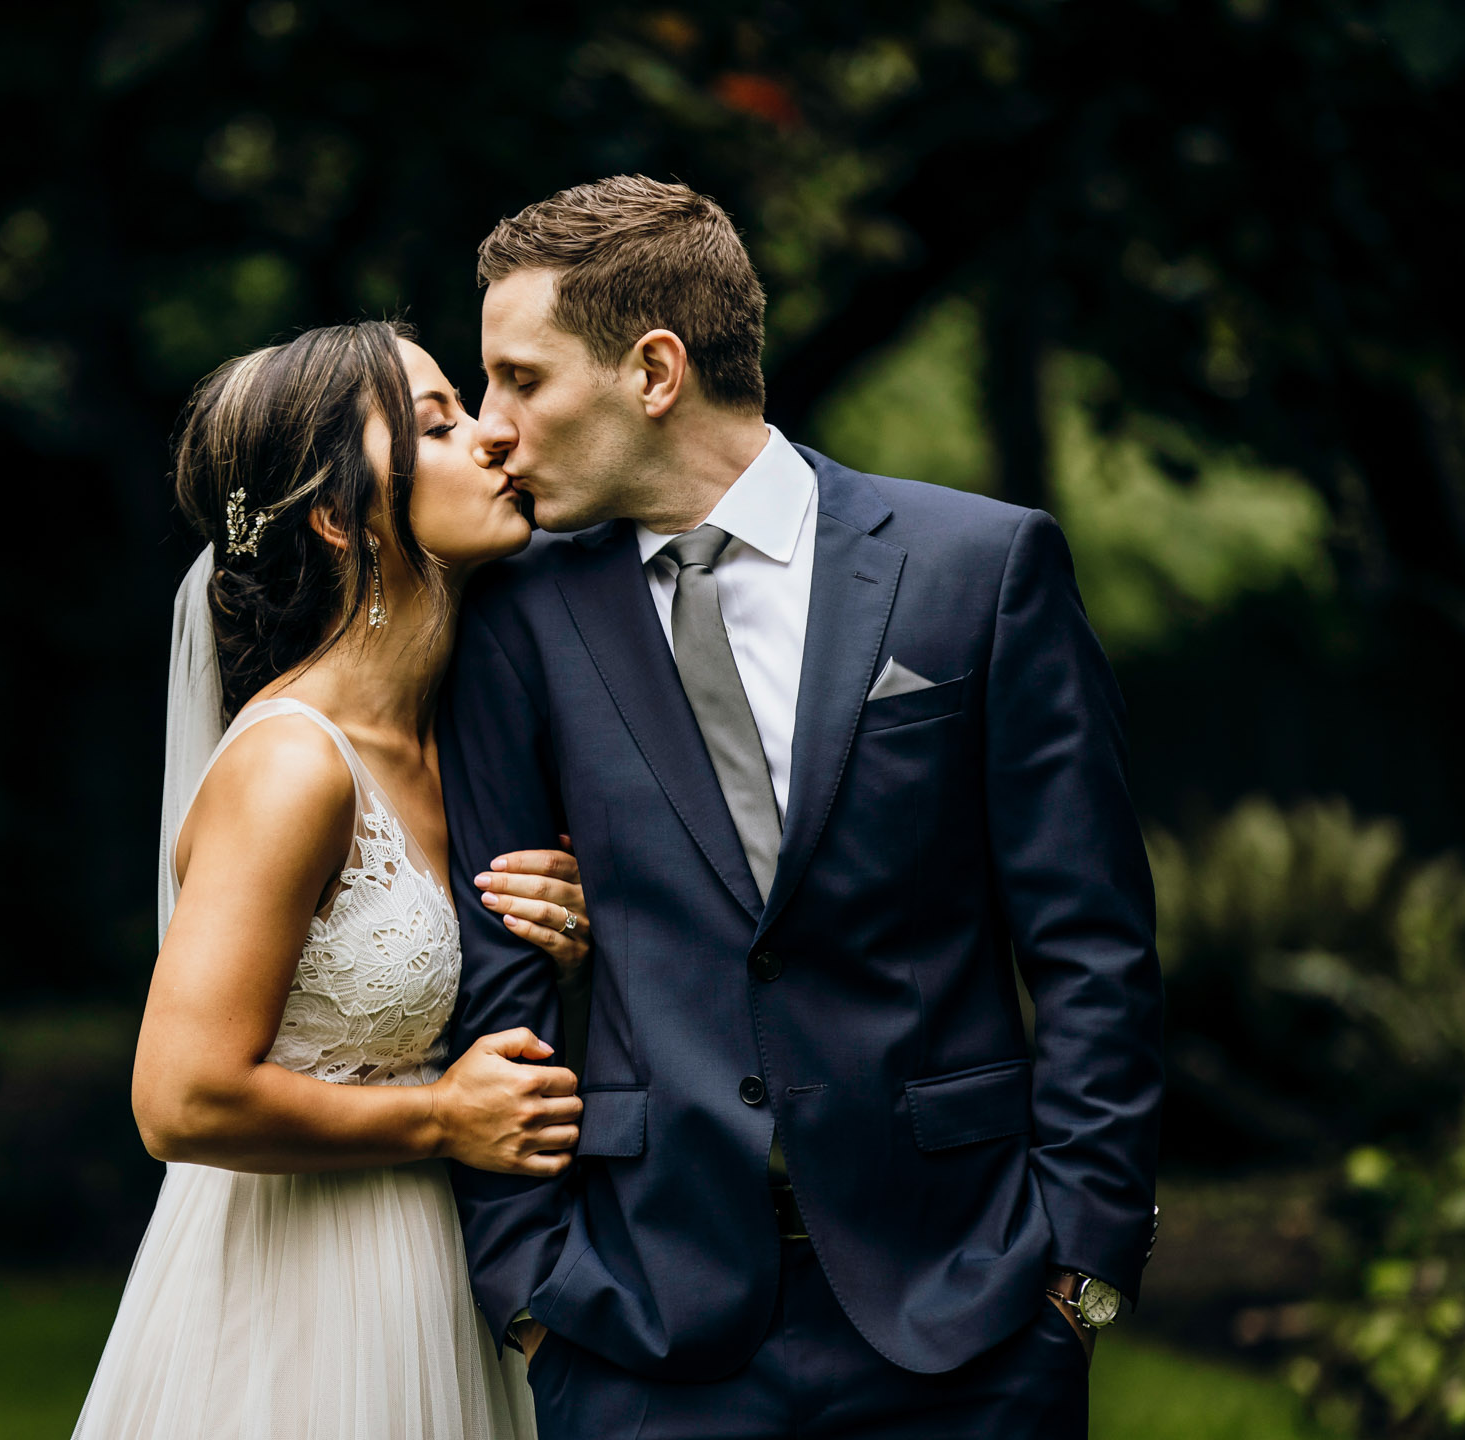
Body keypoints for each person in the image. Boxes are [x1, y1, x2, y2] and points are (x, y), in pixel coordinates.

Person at [441, 176, 1164, 1439]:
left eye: (522, 379)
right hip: (637, 1327)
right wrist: (531, 1290)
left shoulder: (975, 572)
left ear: (654, 370)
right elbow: (495, 979)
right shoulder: (518, 618)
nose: (492, 427)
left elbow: (1092, 943)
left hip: (971, 1310)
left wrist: (1082, 1269)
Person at [72, 320, 594, 1440]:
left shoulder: (463, 741)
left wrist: (566, 943)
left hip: (442, 1273)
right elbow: (179, 1099)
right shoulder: (292, 766)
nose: (497, 437)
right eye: (441, 424)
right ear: (340, 511)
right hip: (300, 1291)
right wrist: (441, 1116)